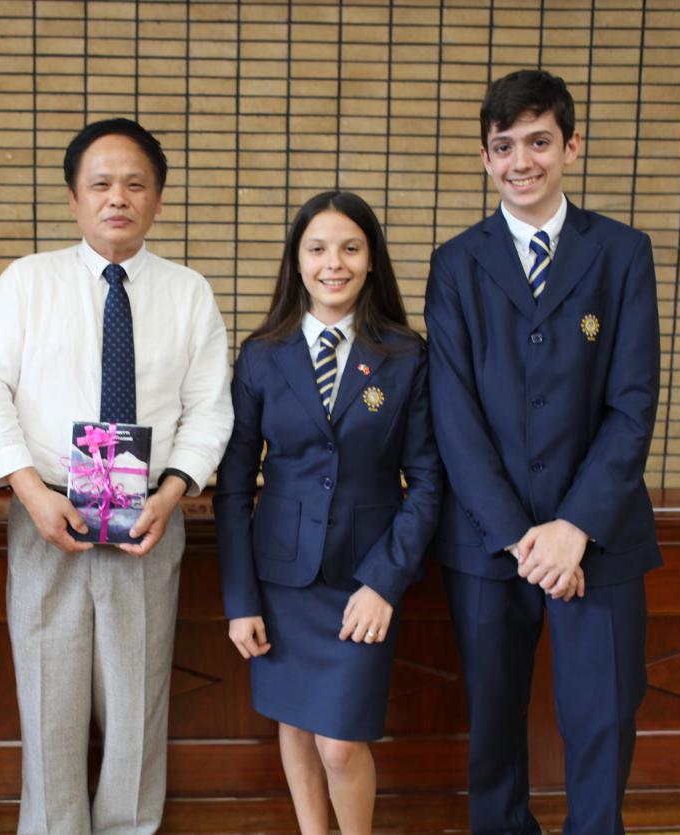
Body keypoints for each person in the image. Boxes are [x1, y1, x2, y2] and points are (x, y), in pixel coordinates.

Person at [0, 118, 233, 834]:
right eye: (101, 184)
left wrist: (173, 493)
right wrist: (29, 491)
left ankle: (129, 828)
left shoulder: (188, 293)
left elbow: (210, 407)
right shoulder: (28, 282)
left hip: (148, 517)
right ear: (74, 198)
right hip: (46, 512)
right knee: (47, 694)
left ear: (158, 200)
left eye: (135, 184)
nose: (119, 198)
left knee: (136, 701)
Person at [424, 69, 662, 834]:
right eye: (504, 146)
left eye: (538, 142)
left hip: (600, 536)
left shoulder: (621, 252)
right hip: (489, 541)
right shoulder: (455, 263)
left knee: (603, 720)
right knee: (494, 728)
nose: (521, 161)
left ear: (571, 145)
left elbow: (633, 404)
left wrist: (573, 527)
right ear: (485, 156)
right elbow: (453, 415)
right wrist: (519, 535)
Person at [214, 191, 443, 835]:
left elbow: (428, 482)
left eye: (350, 248)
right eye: (316, 249)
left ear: (371, 260)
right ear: (297, 260)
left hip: (362, 582)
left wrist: (384, 583)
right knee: (295, 725)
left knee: (339, 745)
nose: (332, 263)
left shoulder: (406, 355)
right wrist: (241, 600)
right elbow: (233, 487)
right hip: (282, 580)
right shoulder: (263, 355)